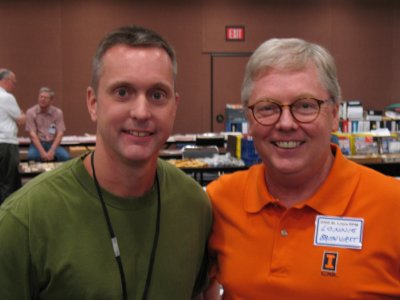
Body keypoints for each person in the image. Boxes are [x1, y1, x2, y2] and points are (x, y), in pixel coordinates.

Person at [0, 25, 211, 299]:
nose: (141, 112)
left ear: (175, 106)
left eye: (157, 95)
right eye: (122, 92)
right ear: (92, 103)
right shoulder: (23, 221)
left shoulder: (195, 207)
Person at [205, 38, 400, 299]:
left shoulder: (391, 205)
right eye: (267, 108)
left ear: (334, 114)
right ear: (249, 120)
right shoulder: (219, 200)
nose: (286, 123)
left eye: (305, 105)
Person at [25, 86, 70, 161]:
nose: (42, 99)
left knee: (65, 156)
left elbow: (60, 133)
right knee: (32, 157)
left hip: (52, 144)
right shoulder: (31, 112)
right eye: (41, 97)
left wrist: (52, 150)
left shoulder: (57, 113)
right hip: (37, 145)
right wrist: (42, 152)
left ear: (51, 101)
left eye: (45, 98)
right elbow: (32, 134)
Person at [0, 69, 25, 204]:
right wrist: (22, 114)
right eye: (13, 82)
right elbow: (21, 120)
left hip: (3, 142)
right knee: (8, 182)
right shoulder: (7, 97)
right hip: (6, 143)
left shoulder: (56, 113)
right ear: (6, 80)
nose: (14, 86)